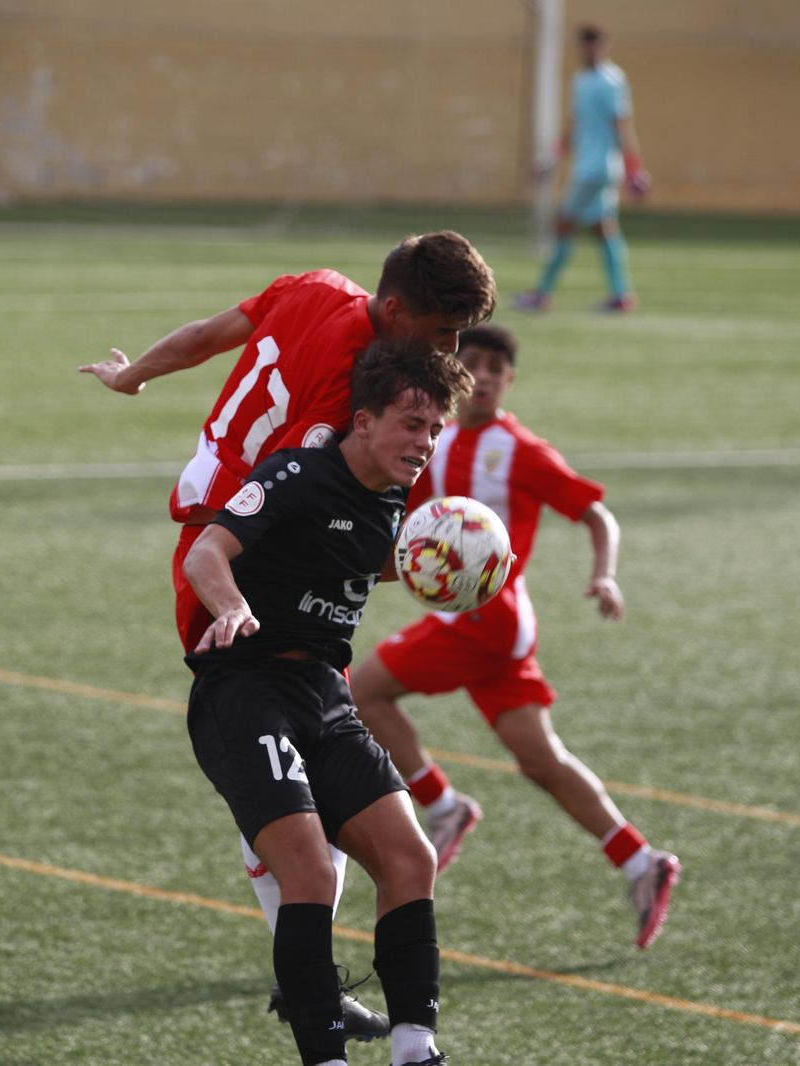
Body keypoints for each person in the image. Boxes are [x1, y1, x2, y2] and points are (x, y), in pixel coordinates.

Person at [79, 233, 497, 1040]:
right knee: (286, 756)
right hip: (232, 553)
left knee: (310, 747)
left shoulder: (316, 285)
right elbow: (303, 503)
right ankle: (302, 964)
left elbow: (210, 334)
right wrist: (421, 558)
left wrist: (135, 374)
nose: (449, 348)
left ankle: (302, 963)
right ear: (399, 309)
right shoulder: (343, 399)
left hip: (221, 515)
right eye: (443, 330)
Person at [183, 337, 473, 1066]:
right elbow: (204, 554)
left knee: (411, 857)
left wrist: (441, 568)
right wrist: (228, 607)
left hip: (321, 693)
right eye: (412, 423)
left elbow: (363, 560)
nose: (424, 441)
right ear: (365, 420)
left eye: (435, 428)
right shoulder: (298, 473)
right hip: (245, 691)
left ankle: (415, 1047)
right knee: (308, 870)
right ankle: (326, 1058)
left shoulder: (395, 498)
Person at [348, 323, 681, 949]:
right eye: (473, 362)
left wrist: (604, 575)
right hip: (482, 622)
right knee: (539, 760)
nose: (486, 375)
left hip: (486, 621)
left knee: (360, 694)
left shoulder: (519, 449)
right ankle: (643, 862)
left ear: (510, 381)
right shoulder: (435, 439)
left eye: (498, 367)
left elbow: (594, 513)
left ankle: (443, 807)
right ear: (456, 369)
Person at [517, 23, 650, 313]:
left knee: (563, 225)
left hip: (597, 169)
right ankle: (621, 295)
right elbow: (575, 127)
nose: (588, 50)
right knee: (604, 230)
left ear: (603, 46)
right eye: (584, 44)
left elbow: (621, 125)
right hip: (588, 167)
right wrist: (551, 158)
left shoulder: (612, 80)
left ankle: (542, 293)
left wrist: (634, 169)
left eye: (594, 44)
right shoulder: (581, 80)